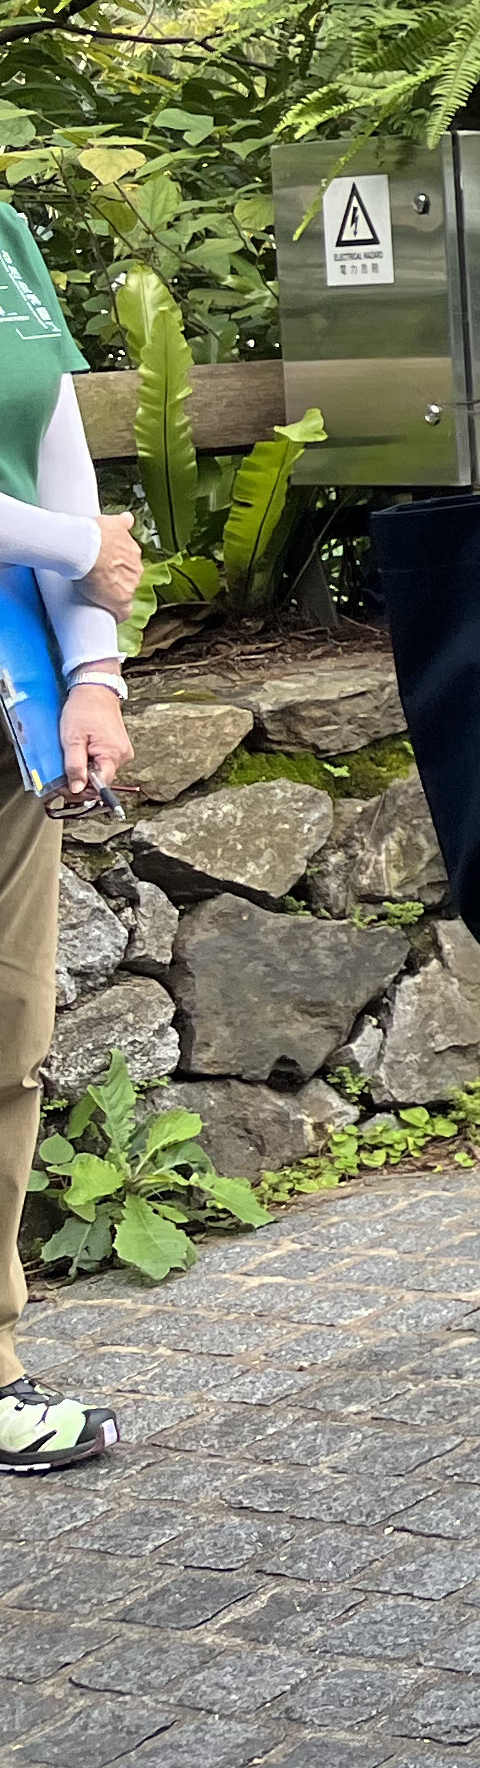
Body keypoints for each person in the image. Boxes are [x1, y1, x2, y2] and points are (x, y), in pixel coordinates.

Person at [0, 196, 135, 1476]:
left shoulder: (6, 234)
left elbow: (55, 449)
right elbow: (73, 527)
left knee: (7, 1042)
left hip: (15, 721)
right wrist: (79, 546)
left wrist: (98, 670)